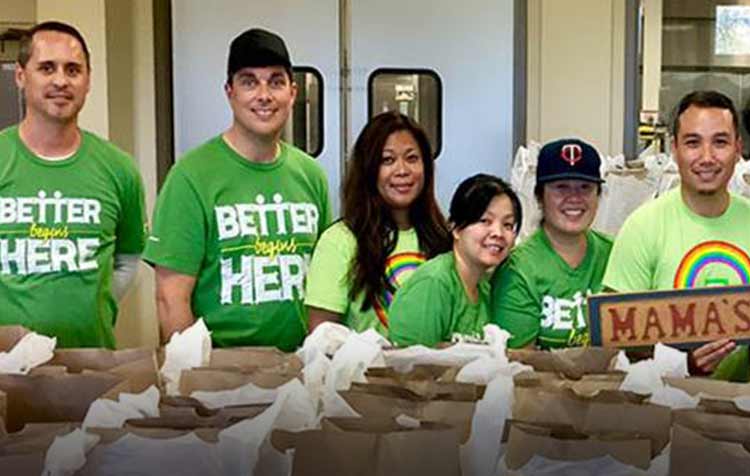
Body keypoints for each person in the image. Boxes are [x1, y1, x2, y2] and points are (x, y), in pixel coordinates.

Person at [144, 28, 331, 351]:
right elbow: (170, 298)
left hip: (300, 371)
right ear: (230, 92)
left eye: (276, 81)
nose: (264, 94)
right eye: (249, 82)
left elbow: (326, 283)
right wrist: (193, 379)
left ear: (293, 92)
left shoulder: (311, 175)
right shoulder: (191, 176)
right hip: (220, 376)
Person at [603, 90, 750, 381]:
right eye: (693, 143)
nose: (706, 157)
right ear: (674, 149)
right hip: (664, 410)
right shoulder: (642, 226)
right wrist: (681, 365)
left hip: (744, 409)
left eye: (719, 142)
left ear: (738, 148)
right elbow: (615, 338)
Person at [0, 21, 147, 348]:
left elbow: (129, 259)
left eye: (73, 70)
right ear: (21, 76)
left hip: (91, 369)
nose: (61, 81)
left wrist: (91, 306)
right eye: (47, 68)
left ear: (88, 80)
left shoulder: (119, 169)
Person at [305, 112, 451, 335]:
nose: (402, 171)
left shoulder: (444, 237)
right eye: (387, 160)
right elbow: (322, 338)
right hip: (364, 370)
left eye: (412, 158)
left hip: (438, 370)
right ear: (369, 170)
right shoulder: (340, 240)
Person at [492, 138, 612, 349]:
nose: (574, 198)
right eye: (561, 187)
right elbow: (518, 361)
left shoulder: (615, 254)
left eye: (585, 187)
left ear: (598, 196)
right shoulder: (519, 268)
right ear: (540, 197)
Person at [389, 174, 521, 347]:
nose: (498, 233)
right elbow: (412, 366)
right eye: (485, 221)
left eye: (508, 225)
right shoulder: (433, 283)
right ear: (456, 228)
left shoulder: (485, 288)